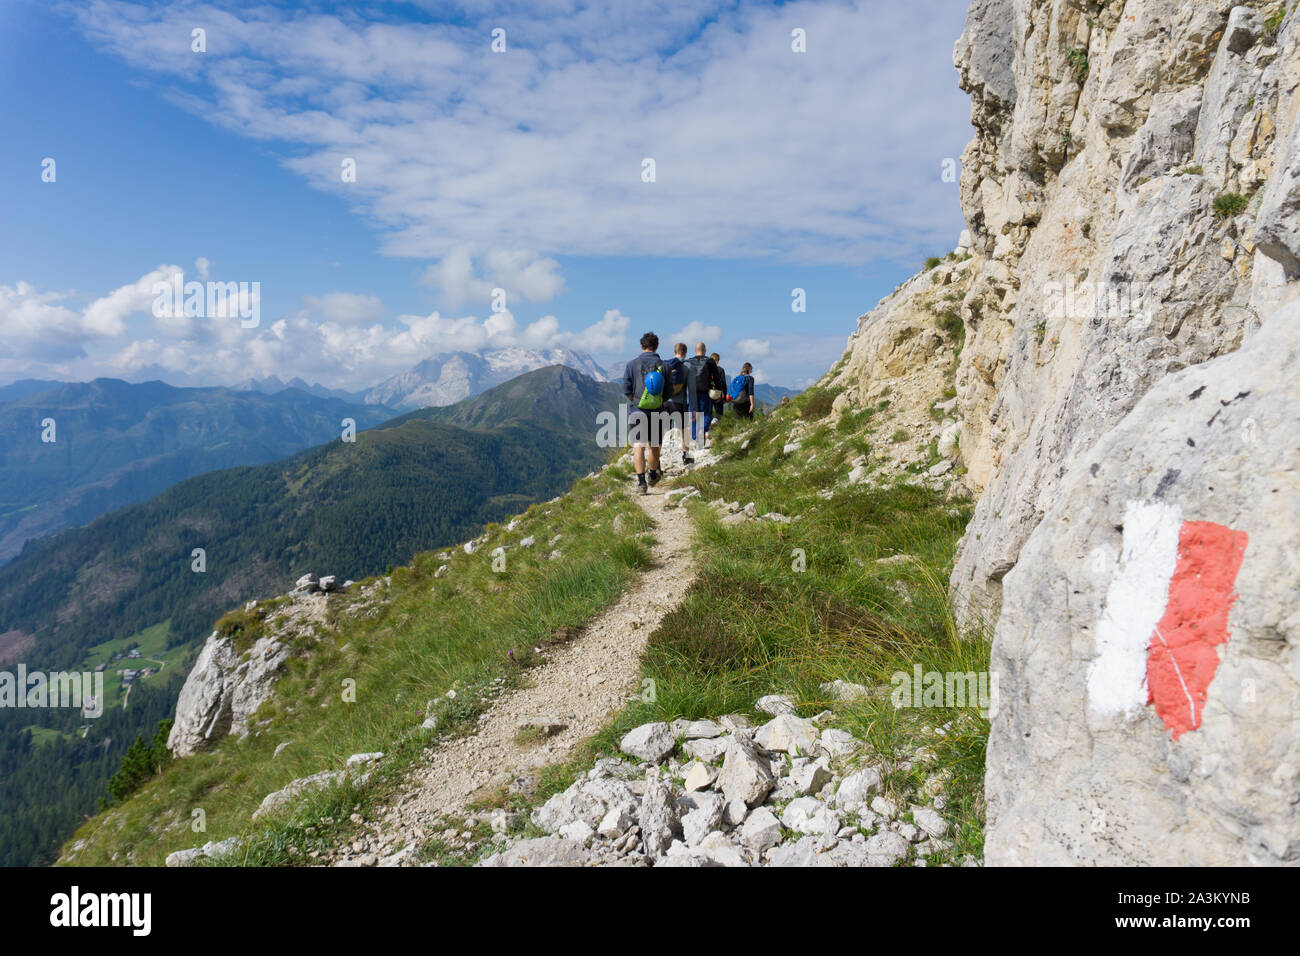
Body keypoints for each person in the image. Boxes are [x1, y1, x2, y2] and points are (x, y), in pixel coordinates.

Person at [621, 332, 665, 494]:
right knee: (654, 446)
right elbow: (668, 390)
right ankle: (652, 474)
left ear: (641, 346)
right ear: (656, 346)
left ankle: (641, 483)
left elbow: (626, 388)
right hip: (657, 410)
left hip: (637, 410)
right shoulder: (664, 365)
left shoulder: (632, 365)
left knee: (638, 445)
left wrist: (635, 401)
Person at [685, 342, 725, 449]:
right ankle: (702, 431)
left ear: (695, 350)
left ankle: (695, 437)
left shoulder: (688, 361)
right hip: (704, 392)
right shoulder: (709, 361)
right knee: (706, 414)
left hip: (692, 393)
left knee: (694, 415)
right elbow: (717, 379)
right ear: (705, 350)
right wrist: (719, 393)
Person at [662, 342, 693, 465]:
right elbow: (691, 389)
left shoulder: (666, 364)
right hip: (680, 403)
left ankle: (658, 459)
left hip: (665, 402)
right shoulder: (687, 366)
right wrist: (694, 406)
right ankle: (686, 455)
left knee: (663, 429)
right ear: (685, 353)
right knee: (684, 429)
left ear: (674, 352)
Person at [710, 352, 727, 426]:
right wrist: (725, 396)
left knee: (708, 412)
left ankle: (708, 429)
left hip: (707, 393)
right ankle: (716, 426)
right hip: (717, 393)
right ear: (718, 360)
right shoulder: (720, 370)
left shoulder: (707, 369)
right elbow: (723, 383)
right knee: (719, 413)